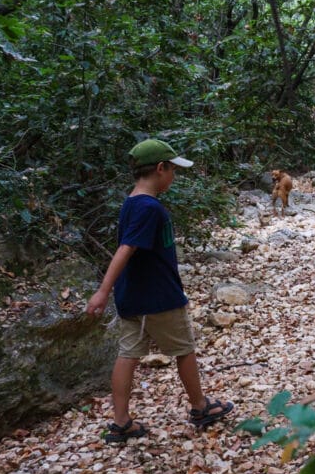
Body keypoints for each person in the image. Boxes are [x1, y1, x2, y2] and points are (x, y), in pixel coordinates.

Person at [86, 138, 233, 443]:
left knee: (128, 354)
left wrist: (110, 291)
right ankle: (200, 407)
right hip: (159, 296)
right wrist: (102, 291)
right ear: (160, 168)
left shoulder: (131, 202)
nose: (174, 177)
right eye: (172, 171)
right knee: (184, 349)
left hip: (132, 295)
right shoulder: (149, 208)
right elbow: (126, 248)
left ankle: (121, 422)